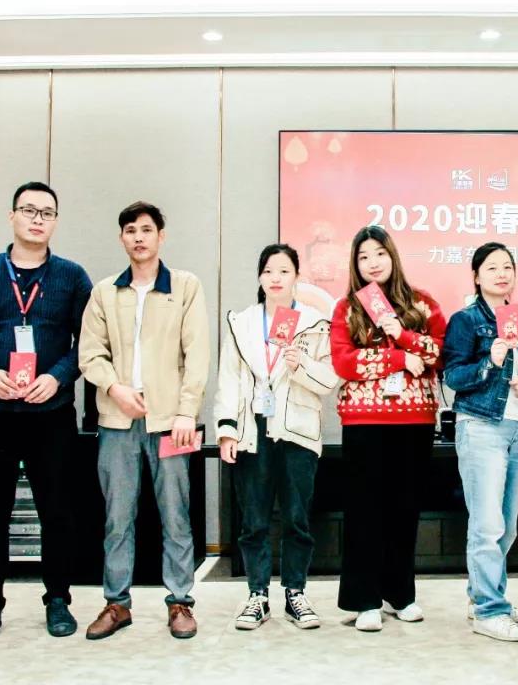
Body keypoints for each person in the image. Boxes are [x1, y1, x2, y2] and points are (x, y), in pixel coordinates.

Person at [0, 181, 92, 643]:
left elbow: (90, 340)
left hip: (51, 413)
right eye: (29, 210)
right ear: (12, 216)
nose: (37, 219)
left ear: (56, 222)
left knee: (58, 511)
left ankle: (58, 599)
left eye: (46, 213)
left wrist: (59, 376)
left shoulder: (72, 276)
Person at [78, 201, 210, 640]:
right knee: (117, 516)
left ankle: (180, 602)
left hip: (172, 422)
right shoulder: (104, 292)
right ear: (122, 238)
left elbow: (197, 354)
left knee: (176, 514)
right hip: (117, 420)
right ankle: (117, 603)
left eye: (147, 229)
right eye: (131, 230)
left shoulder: (185, 286)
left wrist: (187, 411)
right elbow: (90, 354)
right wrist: (114, 388)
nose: (139, 237)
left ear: (161, 236)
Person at [214, 244, 339, 631]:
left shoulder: (315, 323)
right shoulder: (242, 322)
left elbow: (329, 380)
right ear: (259, 277)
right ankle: (257, 595)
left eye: (284, 271)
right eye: (268, 271)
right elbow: (229, 379)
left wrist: (301, 366)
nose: (275, 278)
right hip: (252, 430)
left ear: (296, 277)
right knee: (253, 520)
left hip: (298, 431)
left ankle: (295, 593)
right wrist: (226, 429)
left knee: (297, 519)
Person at [330, 225, 446, 632]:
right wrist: (397, 360)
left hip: (415, 420)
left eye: (379, 253)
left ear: (392, 255)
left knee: (404, 509)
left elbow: (439, 353)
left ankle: (400, 594)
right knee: (365, 511)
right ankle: (364, 600)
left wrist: (404, 335)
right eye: (363, 257)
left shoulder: (421, 303)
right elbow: (344, 362)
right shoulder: (347, 308)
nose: (373, 263)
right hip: (364, 421)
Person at [442, 242, 518, 642]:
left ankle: (484, 594)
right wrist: (490, 363)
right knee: (487, 524)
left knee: (507, 525)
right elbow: (453, 377)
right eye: (492, 268)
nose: (501, 274)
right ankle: (489, 610)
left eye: (507, 267)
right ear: (477, 276)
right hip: (481, 424)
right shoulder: (466, 320)